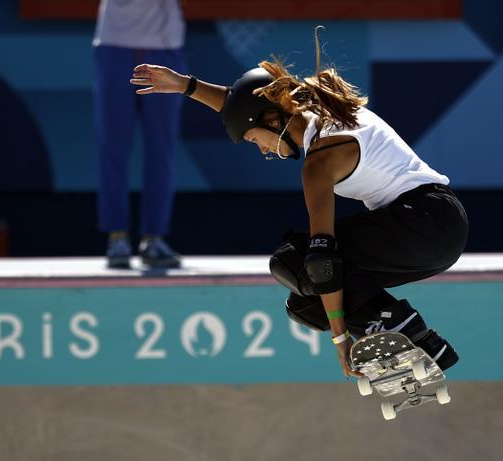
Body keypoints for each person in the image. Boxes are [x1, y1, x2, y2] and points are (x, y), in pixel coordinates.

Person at [131, 27, 468, 377]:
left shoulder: (322, 159)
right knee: (305, 305)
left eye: (254, 140)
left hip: (423, 222)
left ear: (272, 121)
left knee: (293, 261)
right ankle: (424, 348)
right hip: (439, 230)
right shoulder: (317, 108)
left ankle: (403, 329)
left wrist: (341, 342)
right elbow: (250, 101)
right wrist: (186, 86)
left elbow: (322, 258)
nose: (262, 149)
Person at [93, 0, 186, 269]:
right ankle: (117, 237)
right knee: (112, 147)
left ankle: (154, 238)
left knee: (162, 150)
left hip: (164, 45)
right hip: (115, 43)